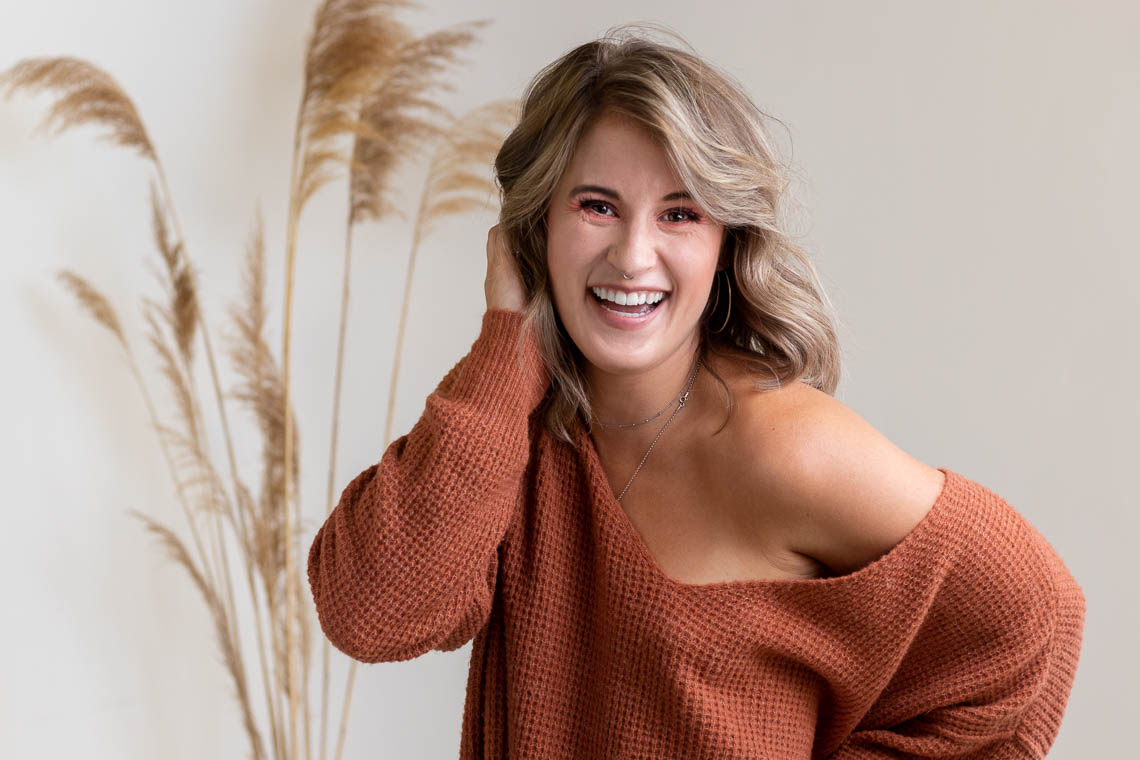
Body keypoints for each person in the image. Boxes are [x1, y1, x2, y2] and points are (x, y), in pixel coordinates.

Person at [308, 25, 1085, 759]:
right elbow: (372, 611)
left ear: (725, 244)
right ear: (533, 226)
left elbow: (1034, 622)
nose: (632, 255)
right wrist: (506, 336)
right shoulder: (508, 431)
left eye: (680, 214)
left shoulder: (783, 445)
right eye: (596, 205)